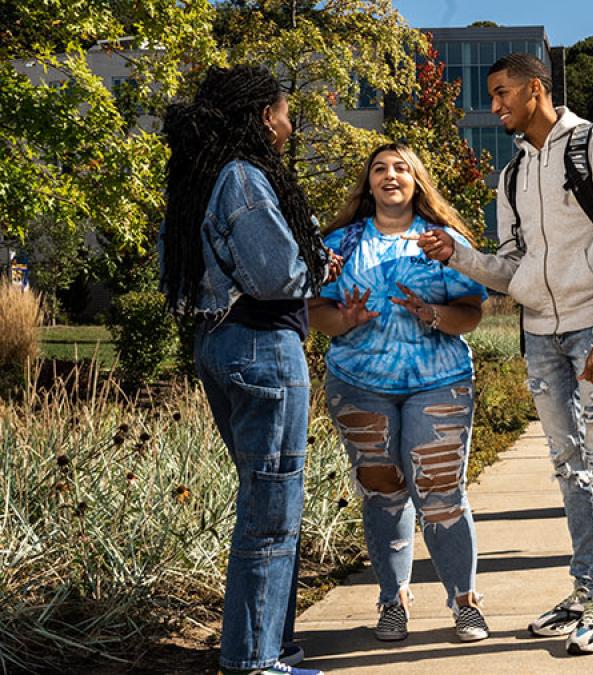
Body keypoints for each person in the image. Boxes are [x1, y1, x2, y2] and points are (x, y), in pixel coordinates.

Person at [417, 52, 593, 656]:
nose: (494, 107)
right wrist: (457, 255)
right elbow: (511, 267)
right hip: (539, 333)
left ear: (536, 90)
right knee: (569, 469)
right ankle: (583, 588)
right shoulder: (512, 174)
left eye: (501, 93)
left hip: (592, 328)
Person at [159, 65, 332, 675]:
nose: (289, 125)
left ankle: (274, 647)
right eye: (286, 112)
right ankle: (255, 659)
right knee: (271, 512)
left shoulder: (201, 177)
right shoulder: (242, 177)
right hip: (262, 349)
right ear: (264, 115)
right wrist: (317, 265)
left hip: (223, 344)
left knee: (267, 501)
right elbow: (278, 274)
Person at [309, 143, 490, 644]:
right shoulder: (339, 244)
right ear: (368, 184)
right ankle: (393, 600)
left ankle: (464, 601)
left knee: (440, 494)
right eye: (379, 169)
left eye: (401, 168)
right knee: (384, 493)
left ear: (417, 182)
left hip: (438, 383)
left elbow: (471, 314)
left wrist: (432, 315)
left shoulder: (442, 243)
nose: (390, 175)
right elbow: (314, 311)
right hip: (359, 385)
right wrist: (343, 319)